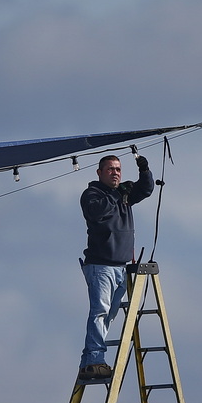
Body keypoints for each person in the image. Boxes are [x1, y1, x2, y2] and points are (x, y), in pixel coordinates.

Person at [78, 152, 153, 380]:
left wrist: (144, 169)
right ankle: (94, 360)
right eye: (110, 169)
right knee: (100, 313)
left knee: (108, 315)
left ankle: (89, 360)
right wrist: (117, 194)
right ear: (99, 172)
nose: (115, 173)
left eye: (118, 169)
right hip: (100, 266)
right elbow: (98, 212)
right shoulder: (92, 194)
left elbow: (147, 189)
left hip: (120, 267)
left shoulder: (123, 195)